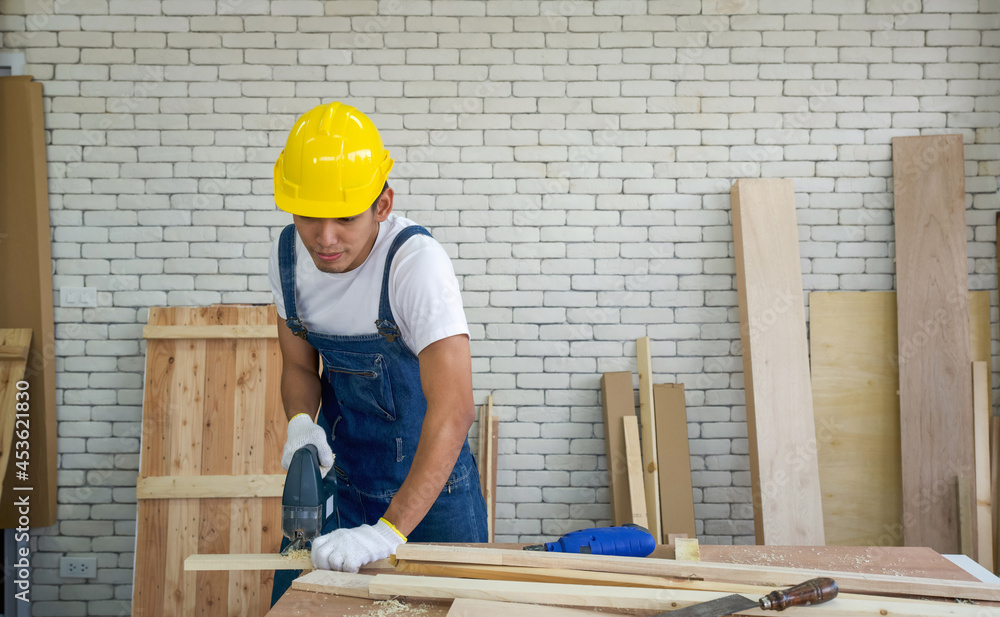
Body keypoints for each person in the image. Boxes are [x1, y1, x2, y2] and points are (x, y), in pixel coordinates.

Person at [267, 101, 488, 604]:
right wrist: (302, 421)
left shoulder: (415, 265)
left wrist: (387, 533)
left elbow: (454, 410)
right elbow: (299, 364)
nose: (325, 240)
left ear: (382, 205)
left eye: (344, 218)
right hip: (346, 489)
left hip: (434, 499)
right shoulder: (288, 257)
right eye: (308, 217)